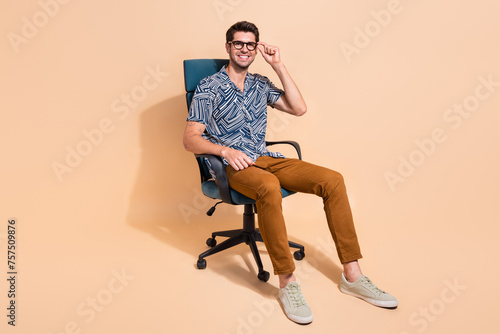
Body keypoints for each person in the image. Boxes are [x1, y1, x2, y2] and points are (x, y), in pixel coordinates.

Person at [183, 21, 398, 325]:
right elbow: (190, 139)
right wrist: (225, 151)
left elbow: (299, 108)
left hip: (266, 156)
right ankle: (288, 283)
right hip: (234, 165)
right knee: (268, 186)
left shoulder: (259, 83)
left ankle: (353, 275)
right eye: (238, 43)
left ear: (256, 48)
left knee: (332, 180)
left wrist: (279, 65)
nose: (244, 49)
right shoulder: (209, 87)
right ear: (228, 47)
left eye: (250, 44)